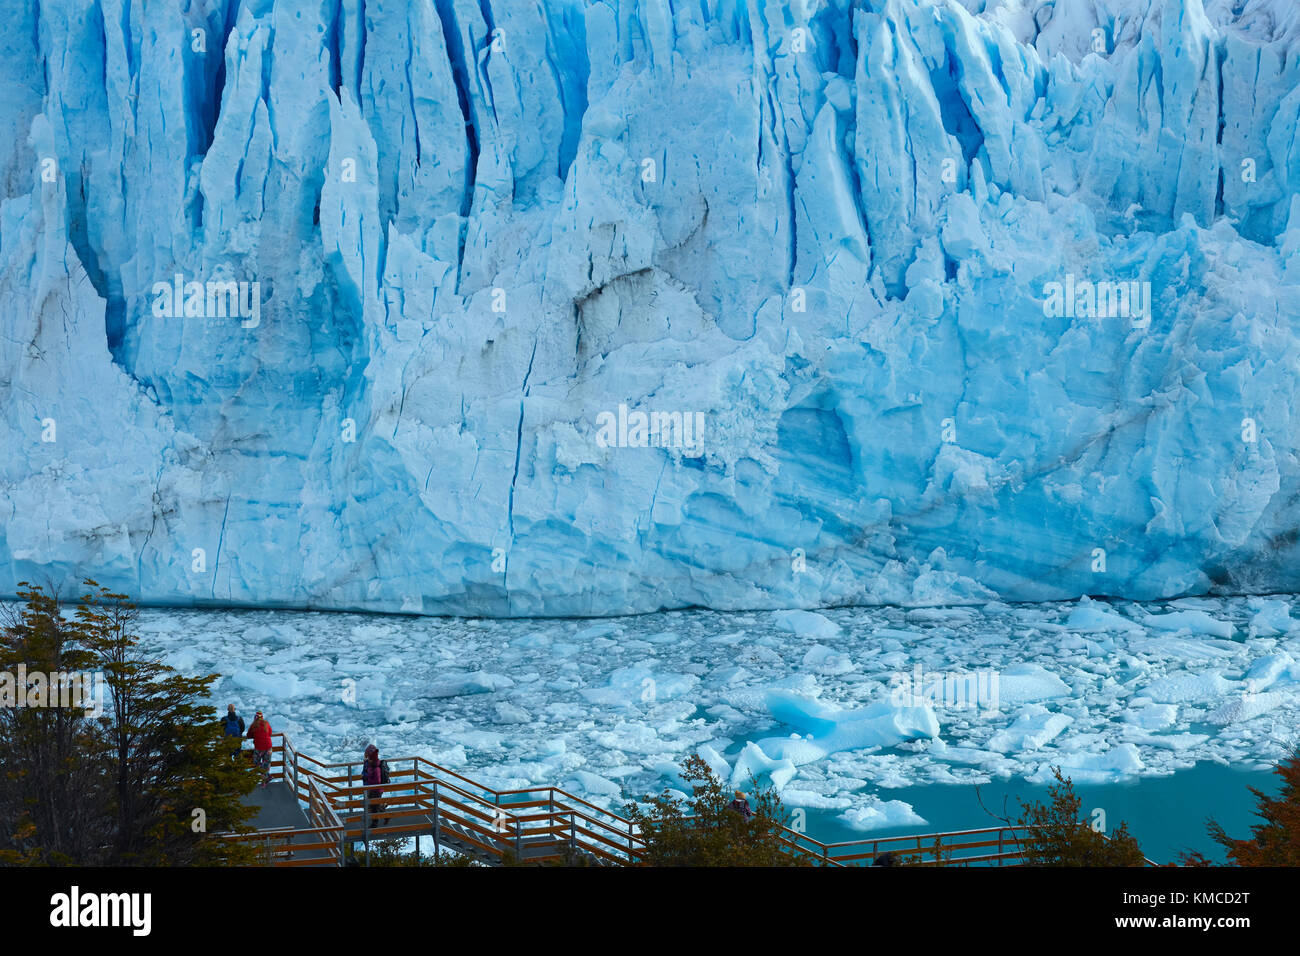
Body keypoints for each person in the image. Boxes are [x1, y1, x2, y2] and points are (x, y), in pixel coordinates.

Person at [362, 744, 391, 829]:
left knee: (373, 807)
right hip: (372, 788)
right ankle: (386, 816)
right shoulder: (370, 764)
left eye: (367, 756)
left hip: (376, 789)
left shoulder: (376, 767)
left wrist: (367, 777)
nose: (366, 758)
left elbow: (377, 780)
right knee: (375, 805)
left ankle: (374, 824)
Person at [246, 710, 273, 788]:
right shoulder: (266, 723)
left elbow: (248, 735)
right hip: (268, 747)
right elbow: (270, 732)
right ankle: (265, 780)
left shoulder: (254, 725)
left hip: (259, 748)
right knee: (266, 764)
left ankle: (266, 777)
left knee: (256, 762)